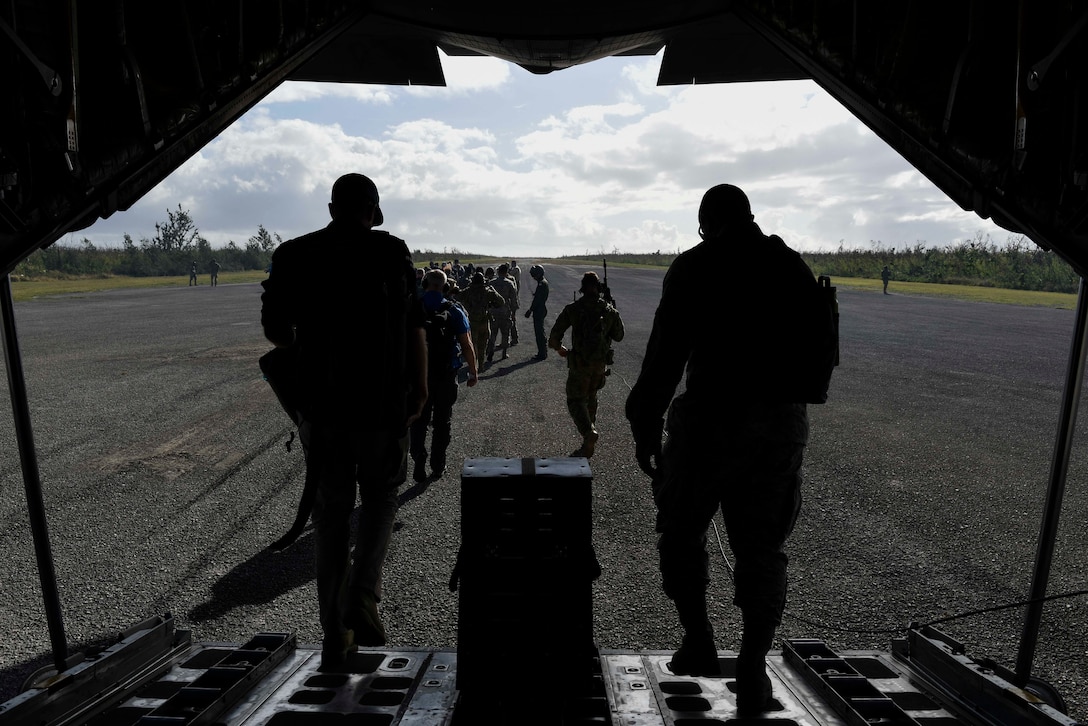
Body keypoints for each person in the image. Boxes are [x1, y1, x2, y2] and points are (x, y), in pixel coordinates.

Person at [625, 184, 816, 716]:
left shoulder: (696, 267)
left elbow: (665, 357)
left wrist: (644, 424)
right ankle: (753, 665)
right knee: (763, 547)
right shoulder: (790, 267)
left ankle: (699, 640)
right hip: (781, 427)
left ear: (707, 222)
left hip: (710, 426)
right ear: (749, 216)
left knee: (681, 530)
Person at [260, 173, 427, 669]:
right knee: (381, 497)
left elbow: (276, 333)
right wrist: (419, 389)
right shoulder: (392, 251)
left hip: (324, 412)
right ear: (372, 211)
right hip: (381, 409)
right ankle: (364, 592)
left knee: (331, 517)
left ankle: (335, 634)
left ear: (332, 208)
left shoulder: (294, 254)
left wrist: (310, 341)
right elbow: (416, 325)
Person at [410, 269, 478, 482]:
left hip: (417, 375)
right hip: (446, 375)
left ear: (424, 284)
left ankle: (418, 457)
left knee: (418, 421)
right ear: (446, 287)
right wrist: (473, 371)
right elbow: (466, 344)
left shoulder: (411, 307)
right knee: (442, 421)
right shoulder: (455, 310)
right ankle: (438, 464)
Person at [548, 271, 624, 457]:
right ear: (599, 288)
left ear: (582, 288)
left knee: (575, 400)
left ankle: (589, 433)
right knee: (591, 398)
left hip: (579, 364)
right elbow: (619, 336)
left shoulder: (573, 309)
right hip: (599, 366)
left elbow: (554, 337)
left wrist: (560, 349)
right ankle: (588, 441)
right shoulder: (608, 310)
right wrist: (612, 310)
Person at [458, 272, 506, 369]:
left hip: (472, 322)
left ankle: (473, 366)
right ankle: (481, 365)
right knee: (482, 345)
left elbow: (458, 297)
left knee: (472, 345)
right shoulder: (487, 291)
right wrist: (491, 303)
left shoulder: (468, 291)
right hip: (484, 321)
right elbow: (501, 301)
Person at [486, 263, 518, 363]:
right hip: (505, 312)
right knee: (505, 333)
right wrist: (513, 313)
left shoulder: (491, 283)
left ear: (498, 272)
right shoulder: (509, 283)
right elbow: (513, 299)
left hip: (493, 312)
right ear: (506, 272)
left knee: (493, 333)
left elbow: (486, 298)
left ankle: (490, 350)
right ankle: (504, 353)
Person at [525, 264, 549, 361]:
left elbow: (537, 300)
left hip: (539, 310)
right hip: (541, 309)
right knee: (540, 331)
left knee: (539, 332)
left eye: (534, 275)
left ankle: (542, 353)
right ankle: (542, 352)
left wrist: (530, 310)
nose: (533, 276)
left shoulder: (541, 284)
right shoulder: (543, 283)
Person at [508, 259, 522, 345]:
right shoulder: (515, 269)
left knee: (512, 320)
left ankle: (514, 338)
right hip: (513, 298)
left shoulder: (516, 269)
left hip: (515, 284)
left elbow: (510, 273)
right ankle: (513, 338)